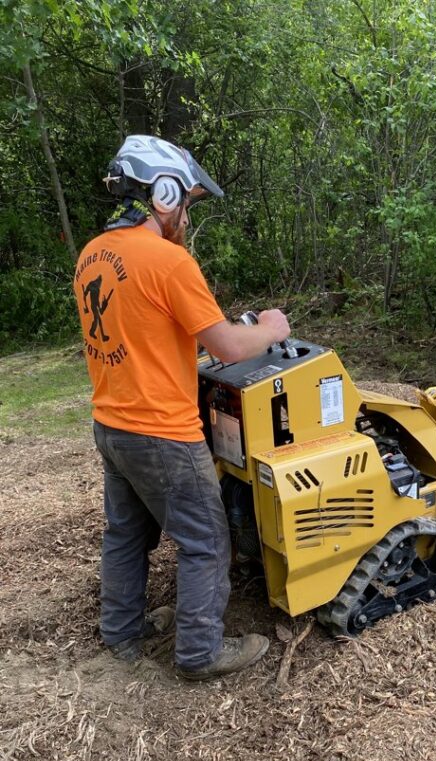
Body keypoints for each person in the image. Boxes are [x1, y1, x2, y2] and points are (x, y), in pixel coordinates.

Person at [73, 134, 290, 680]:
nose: (186, 218)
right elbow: (229, 348)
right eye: (186, 204)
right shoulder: (167, 261)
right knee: (205, 540)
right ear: (163, 193)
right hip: (161, 430)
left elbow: (142, 332)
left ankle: (121, 634)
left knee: (126, 533)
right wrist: (271, 326)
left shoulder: (92, 254)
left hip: (111, 422)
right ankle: (199, 653)